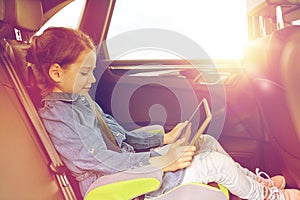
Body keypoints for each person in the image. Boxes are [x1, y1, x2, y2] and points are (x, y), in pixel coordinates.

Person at [25, 27, 300, 200]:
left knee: (207, 143)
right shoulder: (58, 118)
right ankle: (269, 198)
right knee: (215, 164)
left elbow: (120, 135)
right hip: (122, 185)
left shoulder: (80, 101)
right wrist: (161, 163)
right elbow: (99, 160)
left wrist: (163, 140)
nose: (92, 79)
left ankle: (255, 183)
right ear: (57, 73)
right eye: (85, 72)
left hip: (130, 165)